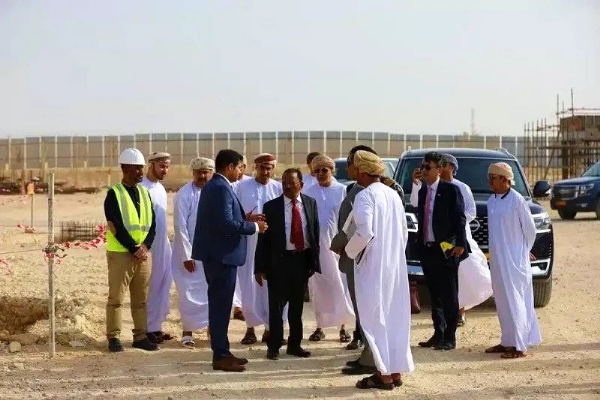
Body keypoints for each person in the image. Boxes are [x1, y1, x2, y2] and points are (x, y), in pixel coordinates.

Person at [192, 149, 268, 372]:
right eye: (240, 167)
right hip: (221, 257)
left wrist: (244, 218)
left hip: (219, 255)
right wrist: (254, 227)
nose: (242, 171)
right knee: (220, 307)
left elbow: (222, 219)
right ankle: (220, 356)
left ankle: (223, 350)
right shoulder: (220, 188)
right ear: (230, 167)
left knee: (222, 306)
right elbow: (224, 224)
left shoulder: (218, 186)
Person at [345, 150, 414, 390]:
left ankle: (383, 376)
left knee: (375, 319)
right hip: (394, 266)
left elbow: (365, 232)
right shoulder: (392, 194)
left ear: (361, 171)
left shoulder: (365, 196)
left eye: (354, 167)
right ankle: (394, 371)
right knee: (394, 318)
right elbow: (403, 232)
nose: (352, 171)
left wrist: (349, 251)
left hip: (373, 267)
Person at [410, 154, 493, 325]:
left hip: (453, 240)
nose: (425, 170)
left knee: (458, 275)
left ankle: (459, 312)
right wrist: (416, 183)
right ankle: (441, 323)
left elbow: (469, 212)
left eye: (443, 164)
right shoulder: (428, 187)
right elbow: (416, 203)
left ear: (450, 168)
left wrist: (450, 225)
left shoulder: (459, 188)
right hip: (433, 242)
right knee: (439, 280)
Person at [255, 168, 321, 360]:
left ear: (301, 184)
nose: (287, 186)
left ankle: (294, 345)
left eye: (291, 183)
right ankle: (274, 346)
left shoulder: (310, 203)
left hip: (301, 261)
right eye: (284, 183)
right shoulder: (271, 207)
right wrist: (259, 267)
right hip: (279, 262)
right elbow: (263, 240)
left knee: (296, 307)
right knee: (276, 307)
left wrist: (314, 261)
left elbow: (314, 232)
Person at [485, 162, 541, 359]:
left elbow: (530, 230)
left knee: (516, 299)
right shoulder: (491, 201)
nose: (490, 182)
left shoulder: (516, 200)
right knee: (502, 301)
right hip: (498, 259)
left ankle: (520, 345)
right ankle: (507, 341)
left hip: (515, 259)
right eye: (489, 177)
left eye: (493, 178)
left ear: (504, 179)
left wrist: (524, 251)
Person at [104, 148, 158, 352]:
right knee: (116, 299)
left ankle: (140, 336)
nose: (140, 172)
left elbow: (152, 224)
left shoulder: (144, 193)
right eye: (136, 168)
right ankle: (114, 337)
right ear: (125, 169)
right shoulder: (114, 194)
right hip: (121, 254)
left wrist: (145, 246)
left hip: (143, 254)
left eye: (141, 168)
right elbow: (115, 225)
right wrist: (134, 247)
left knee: (141, 299)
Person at [416, 151, 469, 351]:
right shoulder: (423, 191)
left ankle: (449, 337)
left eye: (427, 167)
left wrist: (460, 244)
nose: (424, 170)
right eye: (422, 166)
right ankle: (438, 333)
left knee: (449, 294)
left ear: (439, 169)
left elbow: (459, 219)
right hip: (427, 249)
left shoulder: (451, 190)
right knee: (434, 294)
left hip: (447, 250)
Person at [234, 153, 285, 345]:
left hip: (271, 245)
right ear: (255, 168)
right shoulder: (241, 187)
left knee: (270, 287)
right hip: (248, 244)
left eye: (269, 168)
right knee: (249, 287)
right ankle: (250, 329)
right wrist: (248, 219)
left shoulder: (278, 188)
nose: (265, 171)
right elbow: (234, 214)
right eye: (262, 168)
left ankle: (270, 329)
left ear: (273, 169)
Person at [303, 155, 355, 343]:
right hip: (317, 249)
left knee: (341, 286)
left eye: (324, 170)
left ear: (331, 170)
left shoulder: (342, 191)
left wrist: (345, 243)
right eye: (316, 171)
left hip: (338, 249)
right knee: (318, 289)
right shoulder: (308, 192)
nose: (320, 174)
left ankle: (343, 327)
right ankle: (320, 327)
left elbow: (349, 220)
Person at [171, 157, 214, 348]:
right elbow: (180, 226)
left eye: (206, 172)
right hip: (189, 255)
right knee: (188, 294)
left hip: (211, 254)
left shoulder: (216, 192)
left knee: (211, 293)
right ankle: (187, 332)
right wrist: (187, 256)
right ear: (193, 173)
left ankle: (212, 331)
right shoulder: (185, 194)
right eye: (199, 172)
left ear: (212, 173)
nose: (202, 176)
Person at [140, 151, 174, 344]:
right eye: (162, 166)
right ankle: (146, 329)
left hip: (163, 244)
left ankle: (156, 326)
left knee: (163, 284)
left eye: (167, 167)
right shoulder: (141, 187)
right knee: (149, 287)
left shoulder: (160, 188)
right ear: (151, 165)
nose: (165, 170)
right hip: (148, 245)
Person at [232, 155, 253, 320]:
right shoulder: (228, 184)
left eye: (241, 167)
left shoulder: (248, 184)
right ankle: (236, 306)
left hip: (251, 234)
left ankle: (244, 307)